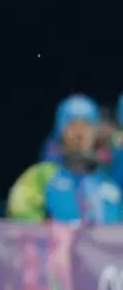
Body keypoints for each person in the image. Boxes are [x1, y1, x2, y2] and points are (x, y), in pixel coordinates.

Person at [9, 94, 122, 223]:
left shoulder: (109, 185)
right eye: (72, 124)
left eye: (86, 124)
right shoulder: (39, 177)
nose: (79, 133)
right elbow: (22, 221)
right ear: (60, 130)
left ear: (95, 131)